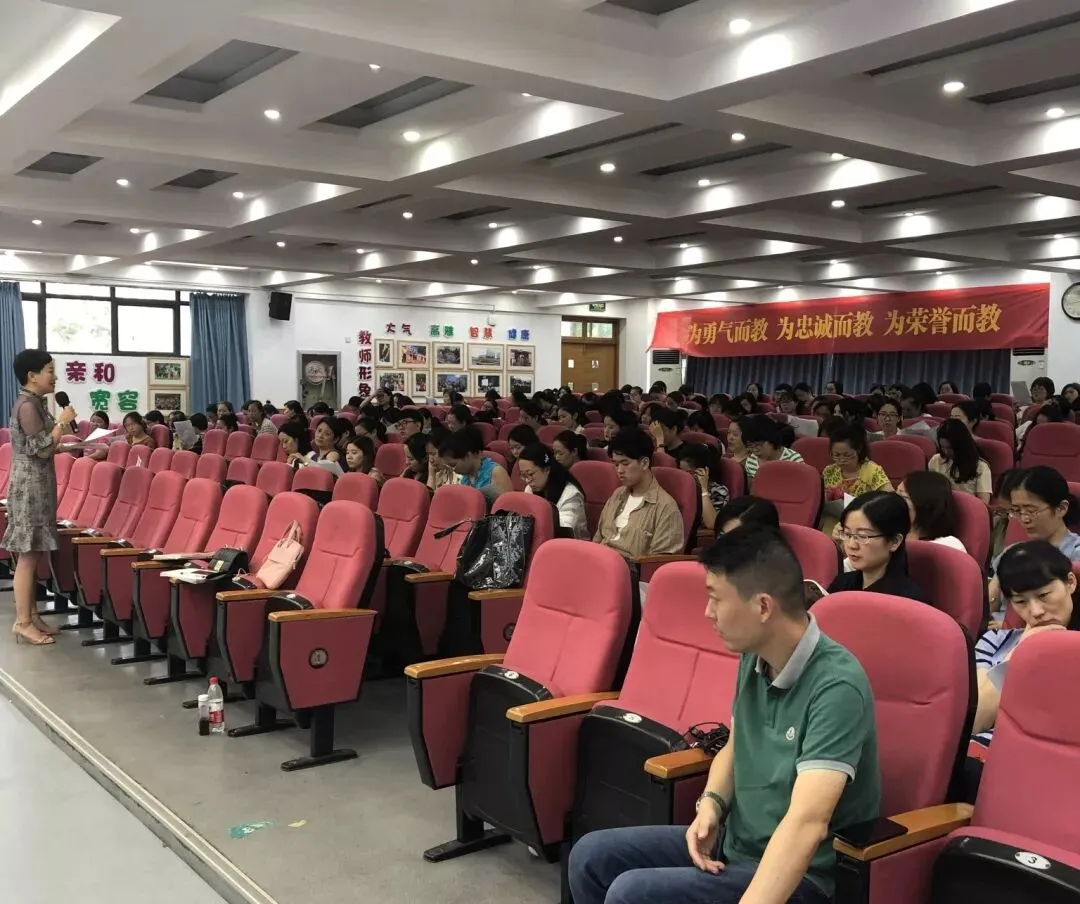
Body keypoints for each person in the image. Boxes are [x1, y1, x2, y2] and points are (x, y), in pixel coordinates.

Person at [569, 524, 879, 904]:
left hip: (803, 876)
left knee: (631, 894)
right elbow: (736, 745)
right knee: (590, 857)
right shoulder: (755, 654)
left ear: (763, 607)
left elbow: (807, 825)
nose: (708, 613)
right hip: (736, 845)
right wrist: (712, 805)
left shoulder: (837, 686)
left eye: (716, 599)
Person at [3, 349, 78, 644]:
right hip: (30, 487)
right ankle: (22, 622)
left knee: (33, 552)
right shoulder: (27, 406)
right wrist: (62, 423)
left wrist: (69, 443)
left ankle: (32, 615)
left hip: (39, 483)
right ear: (32, 376)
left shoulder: (35, 403)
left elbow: (43, 445)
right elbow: (41, 449)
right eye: (49, 370)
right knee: (28, 554)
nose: (55, 376)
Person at [973, 541, 1080, 745]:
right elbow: (975, 721)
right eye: (1021, 602)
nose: (1036, 611)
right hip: (986, 750)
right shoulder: (994, 642)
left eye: (1044, 595)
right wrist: (1021, 652)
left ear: (1070, 582)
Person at [989, 466, 1080, 611]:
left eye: (1031, 511)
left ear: (1061, 508)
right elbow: (989, 606)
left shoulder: (1076, 554)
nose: (1024, 519)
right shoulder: (1013, 553)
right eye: (1017, 511)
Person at [594, 428, 684, 559]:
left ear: (644, 463)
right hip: (600, 560)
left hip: (630, 567)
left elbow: (660, 561)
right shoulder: (617, 495)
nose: (619, 470)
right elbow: (597, 539)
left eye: (625, 463)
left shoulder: (665, 507)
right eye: (616, 464)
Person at [827, 492, 931, 602]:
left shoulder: (911, 601)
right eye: (848, 534)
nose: (851, 545)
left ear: (895, 542)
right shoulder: (842, 583)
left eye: (863, 536)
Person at [517, 444, 589, 539]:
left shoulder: (571, 495)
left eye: (530, 474)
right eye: (523, 475)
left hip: (570, 543)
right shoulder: (529, 489)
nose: (527, 480)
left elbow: (564, 530)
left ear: (547, 470)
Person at [895, 471, 965, 551]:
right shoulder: (891, 535)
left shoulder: (948, 546)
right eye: (895, 494)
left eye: (903, 497)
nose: (893, 501)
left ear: (925, 506)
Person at [822, 424, 892, 504]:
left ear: (858, 449)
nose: (841, 460)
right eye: (837, 455)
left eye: (847, 455)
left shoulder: (873, 471)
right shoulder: (829, 471)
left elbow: (891, 499)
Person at [929, 419, 992, 503]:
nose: (946, 451)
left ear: (961, 446)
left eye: (950, 448)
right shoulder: (935, 460)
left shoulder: (981, 467)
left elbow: (983, 503)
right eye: (942, 447)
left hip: (969, 507)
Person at [439, 426, 512, 497]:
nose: (452, 469)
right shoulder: (465, 478)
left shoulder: (496, 473)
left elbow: (507, 503)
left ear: (468, 455)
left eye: (453, 465)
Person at [678, 443, 729, 531]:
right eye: (681, 472)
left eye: (688, 472)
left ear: (704, 471)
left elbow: (711, 523)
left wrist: (704, 490)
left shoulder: (718, 491)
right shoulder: (678, 488)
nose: (684, 477)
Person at [742, 415, 803, 483]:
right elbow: (752, 488)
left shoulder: (793, 459)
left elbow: (801, 486)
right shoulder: (751, 460)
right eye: (750, 445)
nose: (755, 450)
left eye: (758, 445)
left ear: (771, 439)